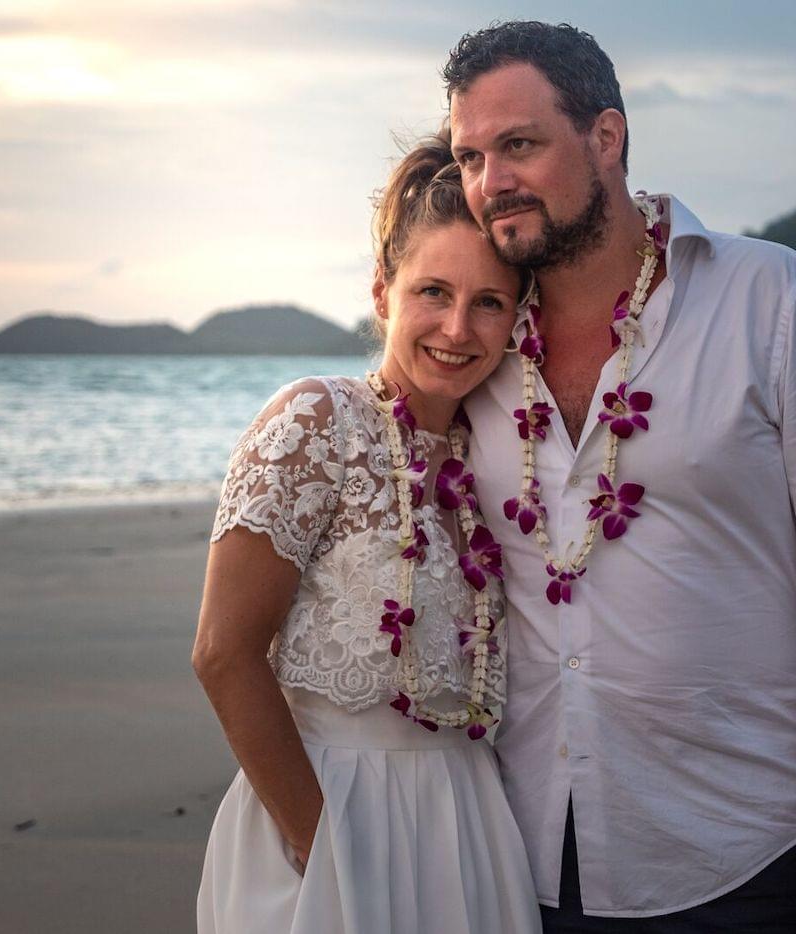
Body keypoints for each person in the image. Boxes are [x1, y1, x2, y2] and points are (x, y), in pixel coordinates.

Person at [444, 22, 796, 934]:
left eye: (518, 145)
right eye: (470, 157)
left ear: (606, 137)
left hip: (741, 843)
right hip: (518, 855)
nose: (491, 182)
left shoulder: (774, 298)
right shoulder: (469, 345)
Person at [191, 131, 544, 934]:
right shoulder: (317, 423)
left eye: (488, 302)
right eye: (433, 293)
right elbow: (223, 652)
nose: (457, 329)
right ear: (382, 292)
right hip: (324, 818)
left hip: (467, 825)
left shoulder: (497, 453)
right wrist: (326, 851)